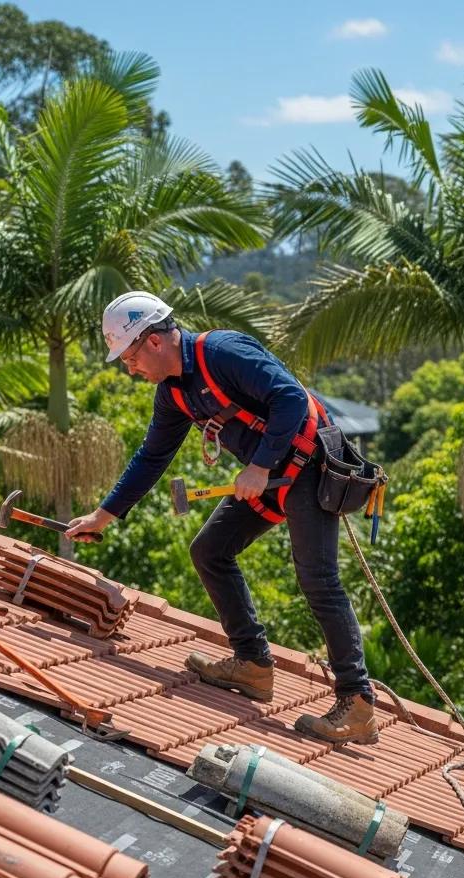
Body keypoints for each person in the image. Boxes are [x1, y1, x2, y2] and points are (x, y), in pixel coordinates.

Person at [66, 290, 378, 745]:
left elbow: (289, 398)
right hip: (269, 478)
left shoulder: (222, 351)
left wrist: (260, 464)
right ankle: (252, 664)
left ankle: (358, 703)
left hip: (307, 469)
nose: (129, 369)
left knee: (318, 579)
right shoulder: (173, 393)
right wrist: (104, 514)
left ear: (154, 340)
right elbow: (152, 457)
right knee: (210, 550)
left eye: (129, 357)